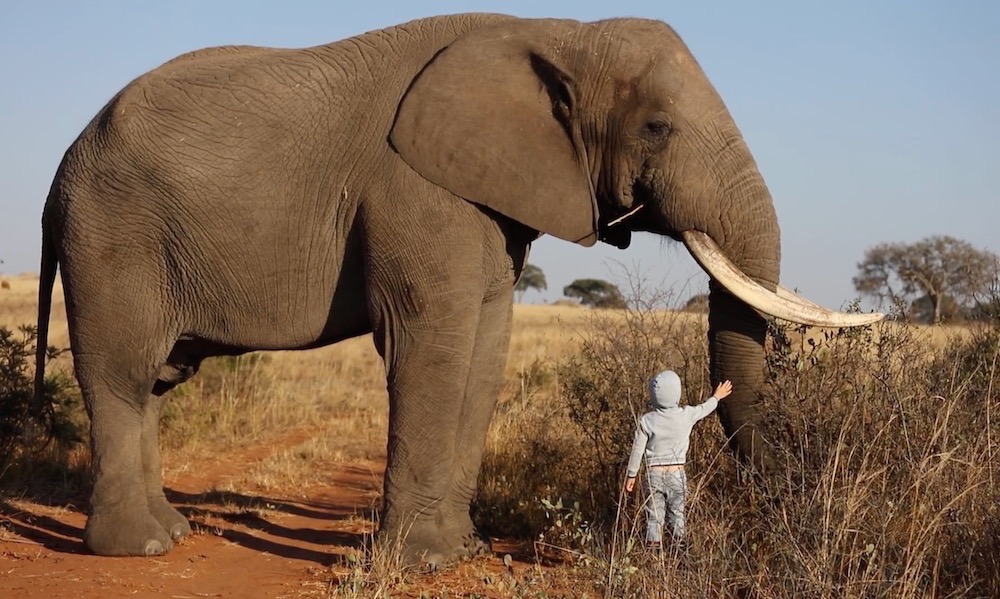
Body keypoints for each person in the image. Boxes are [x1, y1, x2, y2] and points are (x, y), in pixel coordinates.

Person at [624, 370, 733, 551]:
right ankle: (680, 554)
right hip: (676, 474)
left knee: (654, 518)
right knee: (678, 515)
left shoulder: (647, 420)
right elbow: (705, 408)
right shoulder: (686, 415)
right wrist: (716, 397)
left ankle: (654, 558)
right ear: (677, 393)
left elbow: (637, 450)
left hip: (653, 476)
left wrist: (631, 475)